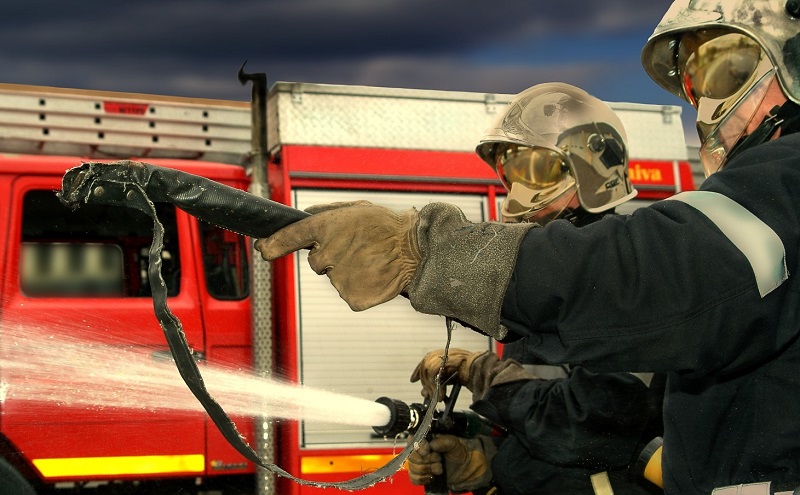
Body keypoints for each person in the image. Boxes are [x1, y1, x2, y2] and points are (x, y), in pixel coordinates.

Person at [254, 2, 800, 492]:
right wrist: (484, 458)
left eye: (723, 68)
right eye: (692, 80)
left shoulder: (753, 201)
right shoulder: (581, 267)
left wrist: (423, 255)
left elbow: (591, 426)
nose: (704, 103)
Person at [404, 83, 664, 495]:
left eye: (537, 171)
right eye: (511, 171)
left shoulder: (628, 272)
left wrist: (483, 373)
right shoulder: (544, 279)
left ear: (592, 172)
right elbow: (540, 427)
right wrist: (483, 460)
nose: (518, 192)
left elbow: (589, 430)